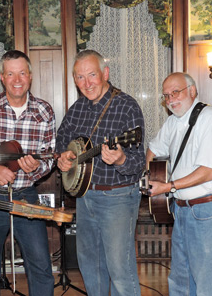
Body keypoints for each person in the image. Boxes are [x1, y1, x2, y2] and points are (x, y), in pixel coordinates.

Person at [56, 50, 145, 296]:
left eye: (92, 75)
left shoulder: (127, 106)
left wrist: (121, 159)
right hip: (85, 198)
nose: (87, 83)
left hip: (117, 198)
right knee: (91, 267)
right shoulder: (77, 108)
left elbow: (138, 162)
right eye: (80, 77)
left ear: (105, 73)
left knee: (120, 270)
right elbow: (62, 139)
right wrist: (63, 158)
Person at [0, 50, 55, 296]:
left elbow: (49, 156)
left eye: (22, 73)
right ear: (2, 77)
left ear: (30, 76)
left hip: (26, 195)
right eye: (10, 74)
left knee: (41, 263)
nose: (17, 79)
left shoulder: (44, 111)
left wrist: (37, 167)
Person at [147, 72, 212, 295]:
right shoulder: (173, 121)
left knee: (209, 284)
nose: (171, 100)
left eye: (175, 92)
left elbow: (208, 172)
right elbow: (154, 149)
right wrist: (147, 177)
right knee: (181, 281)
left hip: (208, 210)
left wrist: (167, 186)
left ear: (192, 91)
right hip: (182, 209)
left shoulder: (209, 118)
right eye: (166, 96)